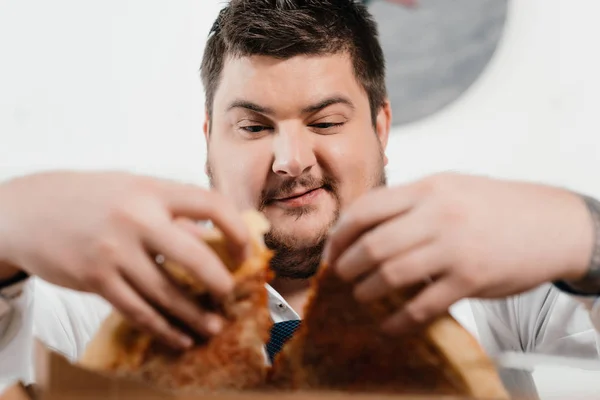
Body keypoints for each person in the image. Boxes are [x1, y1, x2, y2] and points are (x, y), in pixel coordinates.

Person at [0, 0, 598, 397]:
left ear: (381, 128)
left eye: (327, 121)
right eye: (254, 127)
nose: (290, 160)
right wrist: (10, 222)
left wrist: (582, 234)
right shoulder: (110, 304)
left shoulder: (501, 288)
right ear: (210, 142)